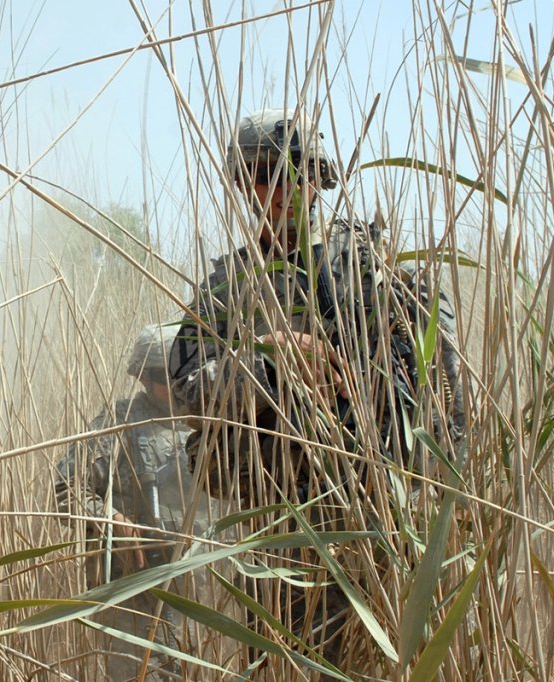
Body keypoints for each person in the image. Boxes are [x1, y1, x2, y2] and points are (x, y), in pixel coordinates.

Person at [168, 109, 465, 676]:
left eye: (293, 172)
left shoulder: (369, 266)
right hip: (275, 537)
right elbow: (186, 393)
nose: (278, 190)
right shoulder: (227, 287)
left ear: (318, 178)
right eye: (261, 175)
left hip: (373, 525)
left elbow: (443, 384)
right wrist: (267, 361)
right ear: (240, 185)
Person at [55, 324, 218, 681]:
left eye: (184, 372)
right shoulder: (118, 423)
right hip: (137, 597)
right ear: (143, 377)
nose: (175, 384)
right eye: (162, 375)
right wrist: (111, 518)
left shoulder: (215, 420)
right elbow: (67, 491)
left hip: (204, 594)